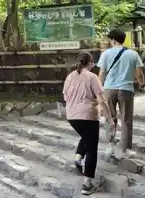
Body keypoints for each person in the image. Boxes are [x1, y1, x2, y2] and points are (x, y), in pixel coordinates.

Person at [63, 52, 114, 195]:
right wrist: (109, 118)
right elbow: (102, 100)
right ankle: (87, 184)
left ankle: (78, 157)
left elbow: (66, 97)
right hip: (88, 115)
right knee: (92, 149)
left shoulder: (69, 76)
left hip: (72, 116)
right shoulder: (92, 77)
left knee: (86, 136)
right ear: (90, 62)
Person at [97, 29, 145, 158]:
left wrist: (99, 88)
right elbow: (139, 73)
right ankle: (126, 149)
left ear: (113, 40)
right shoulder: (132, 54)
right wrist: (142, 85)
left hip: (109, 89)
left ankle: (110, 146)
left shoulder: (106, 54)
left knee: (110, 118)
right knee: (126, 120)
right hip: (126, 89)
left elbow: (102, 73)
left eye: (110, 39)